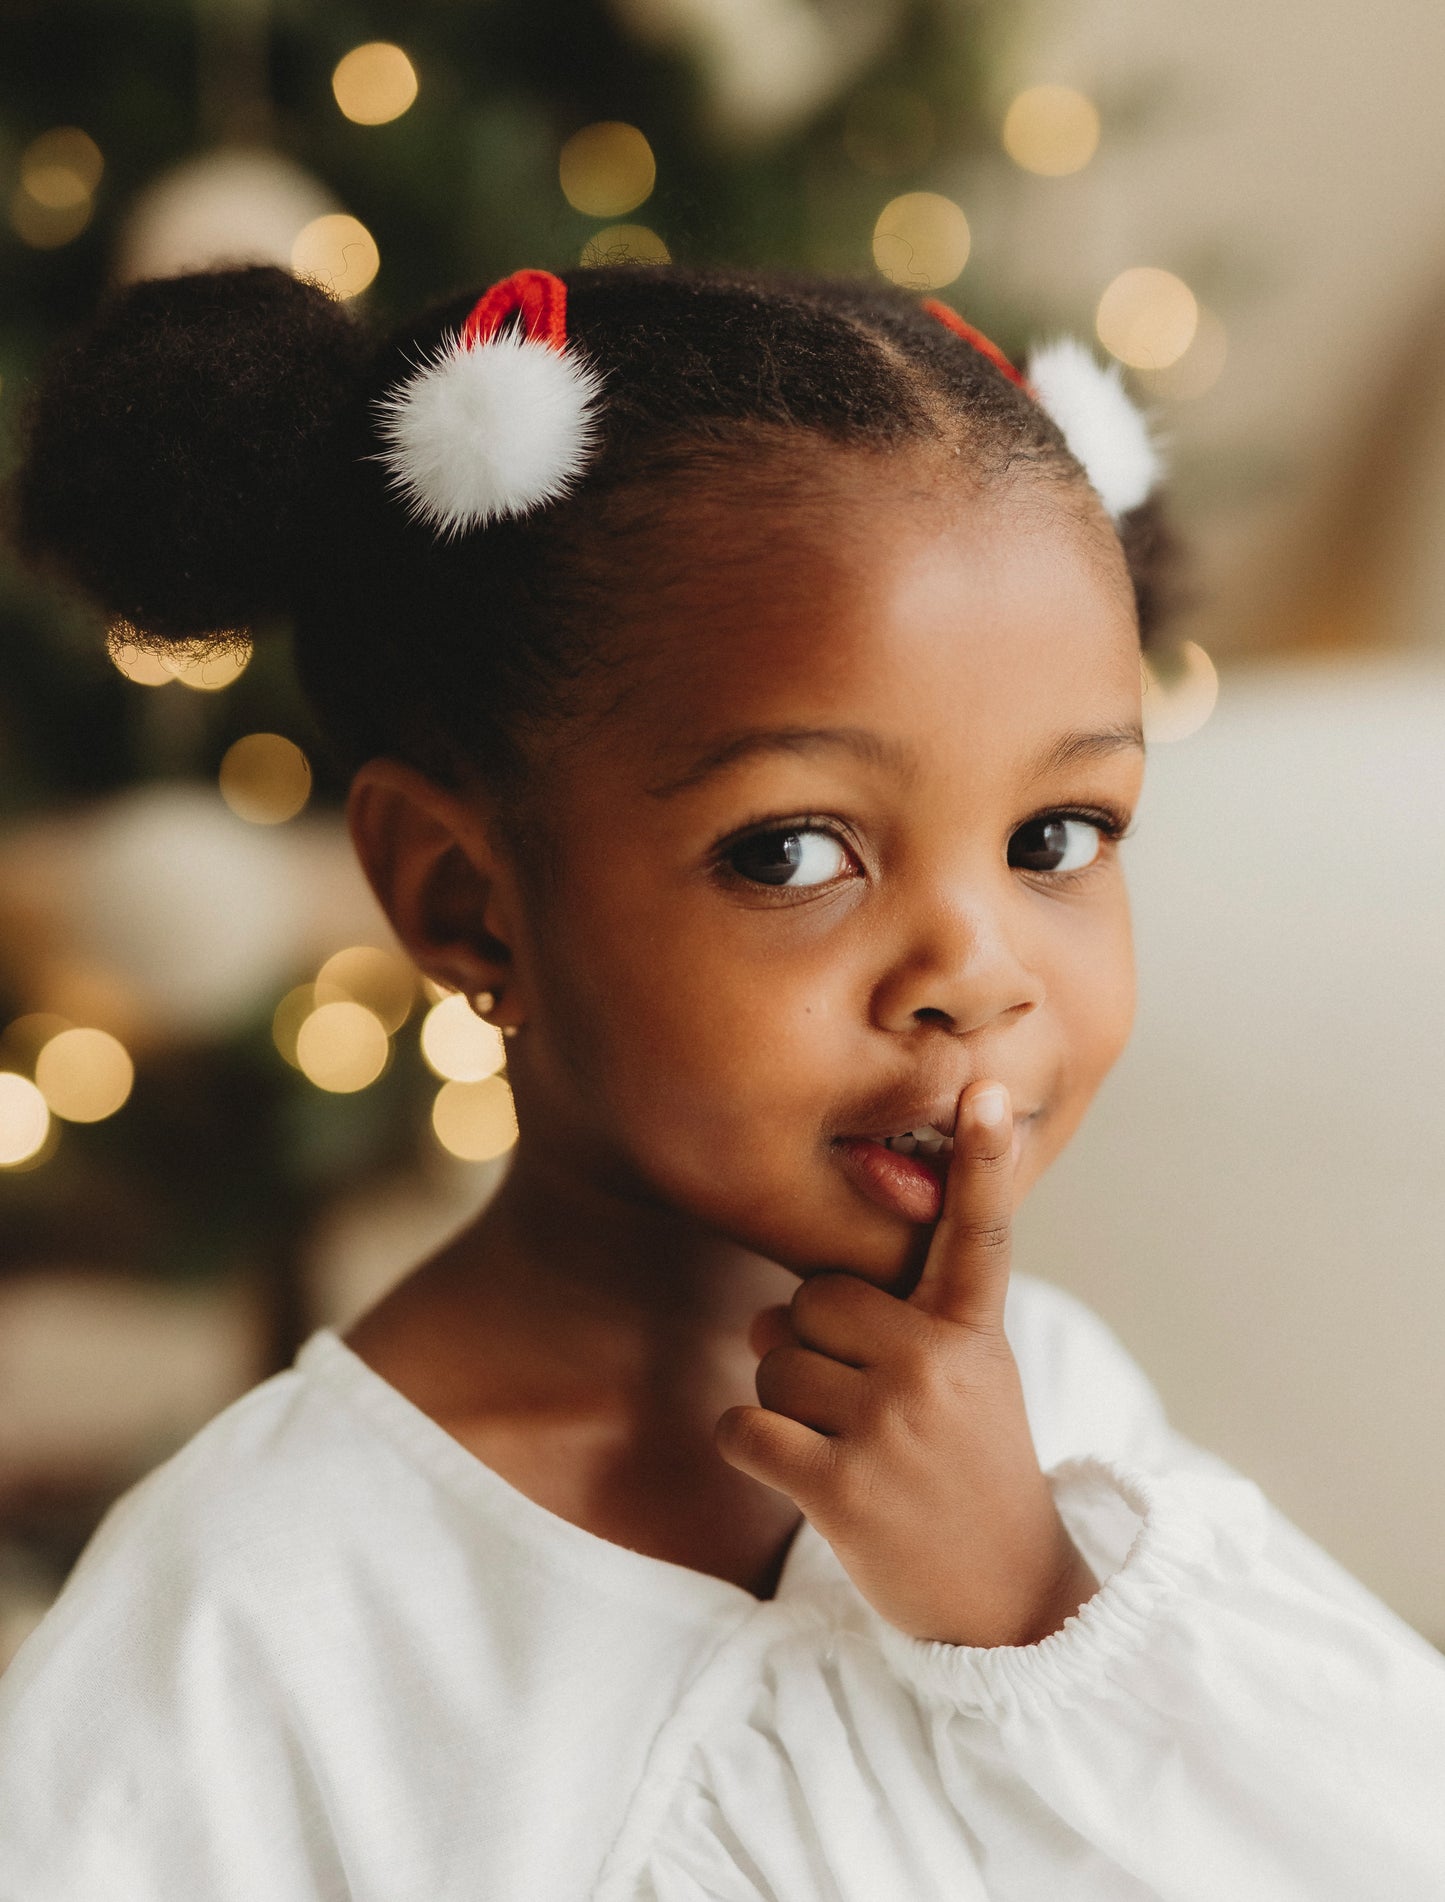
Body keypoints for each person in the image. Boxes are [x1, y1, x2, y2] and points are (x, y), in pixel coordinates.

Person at [0, 260, 1441, 1901]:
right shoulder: (259, 1614)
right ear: (468, 896)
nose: (977, 970)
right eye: (794, 850)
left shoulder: (1054, 1419)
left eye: (1058, 837)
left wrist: (1034, 1600)